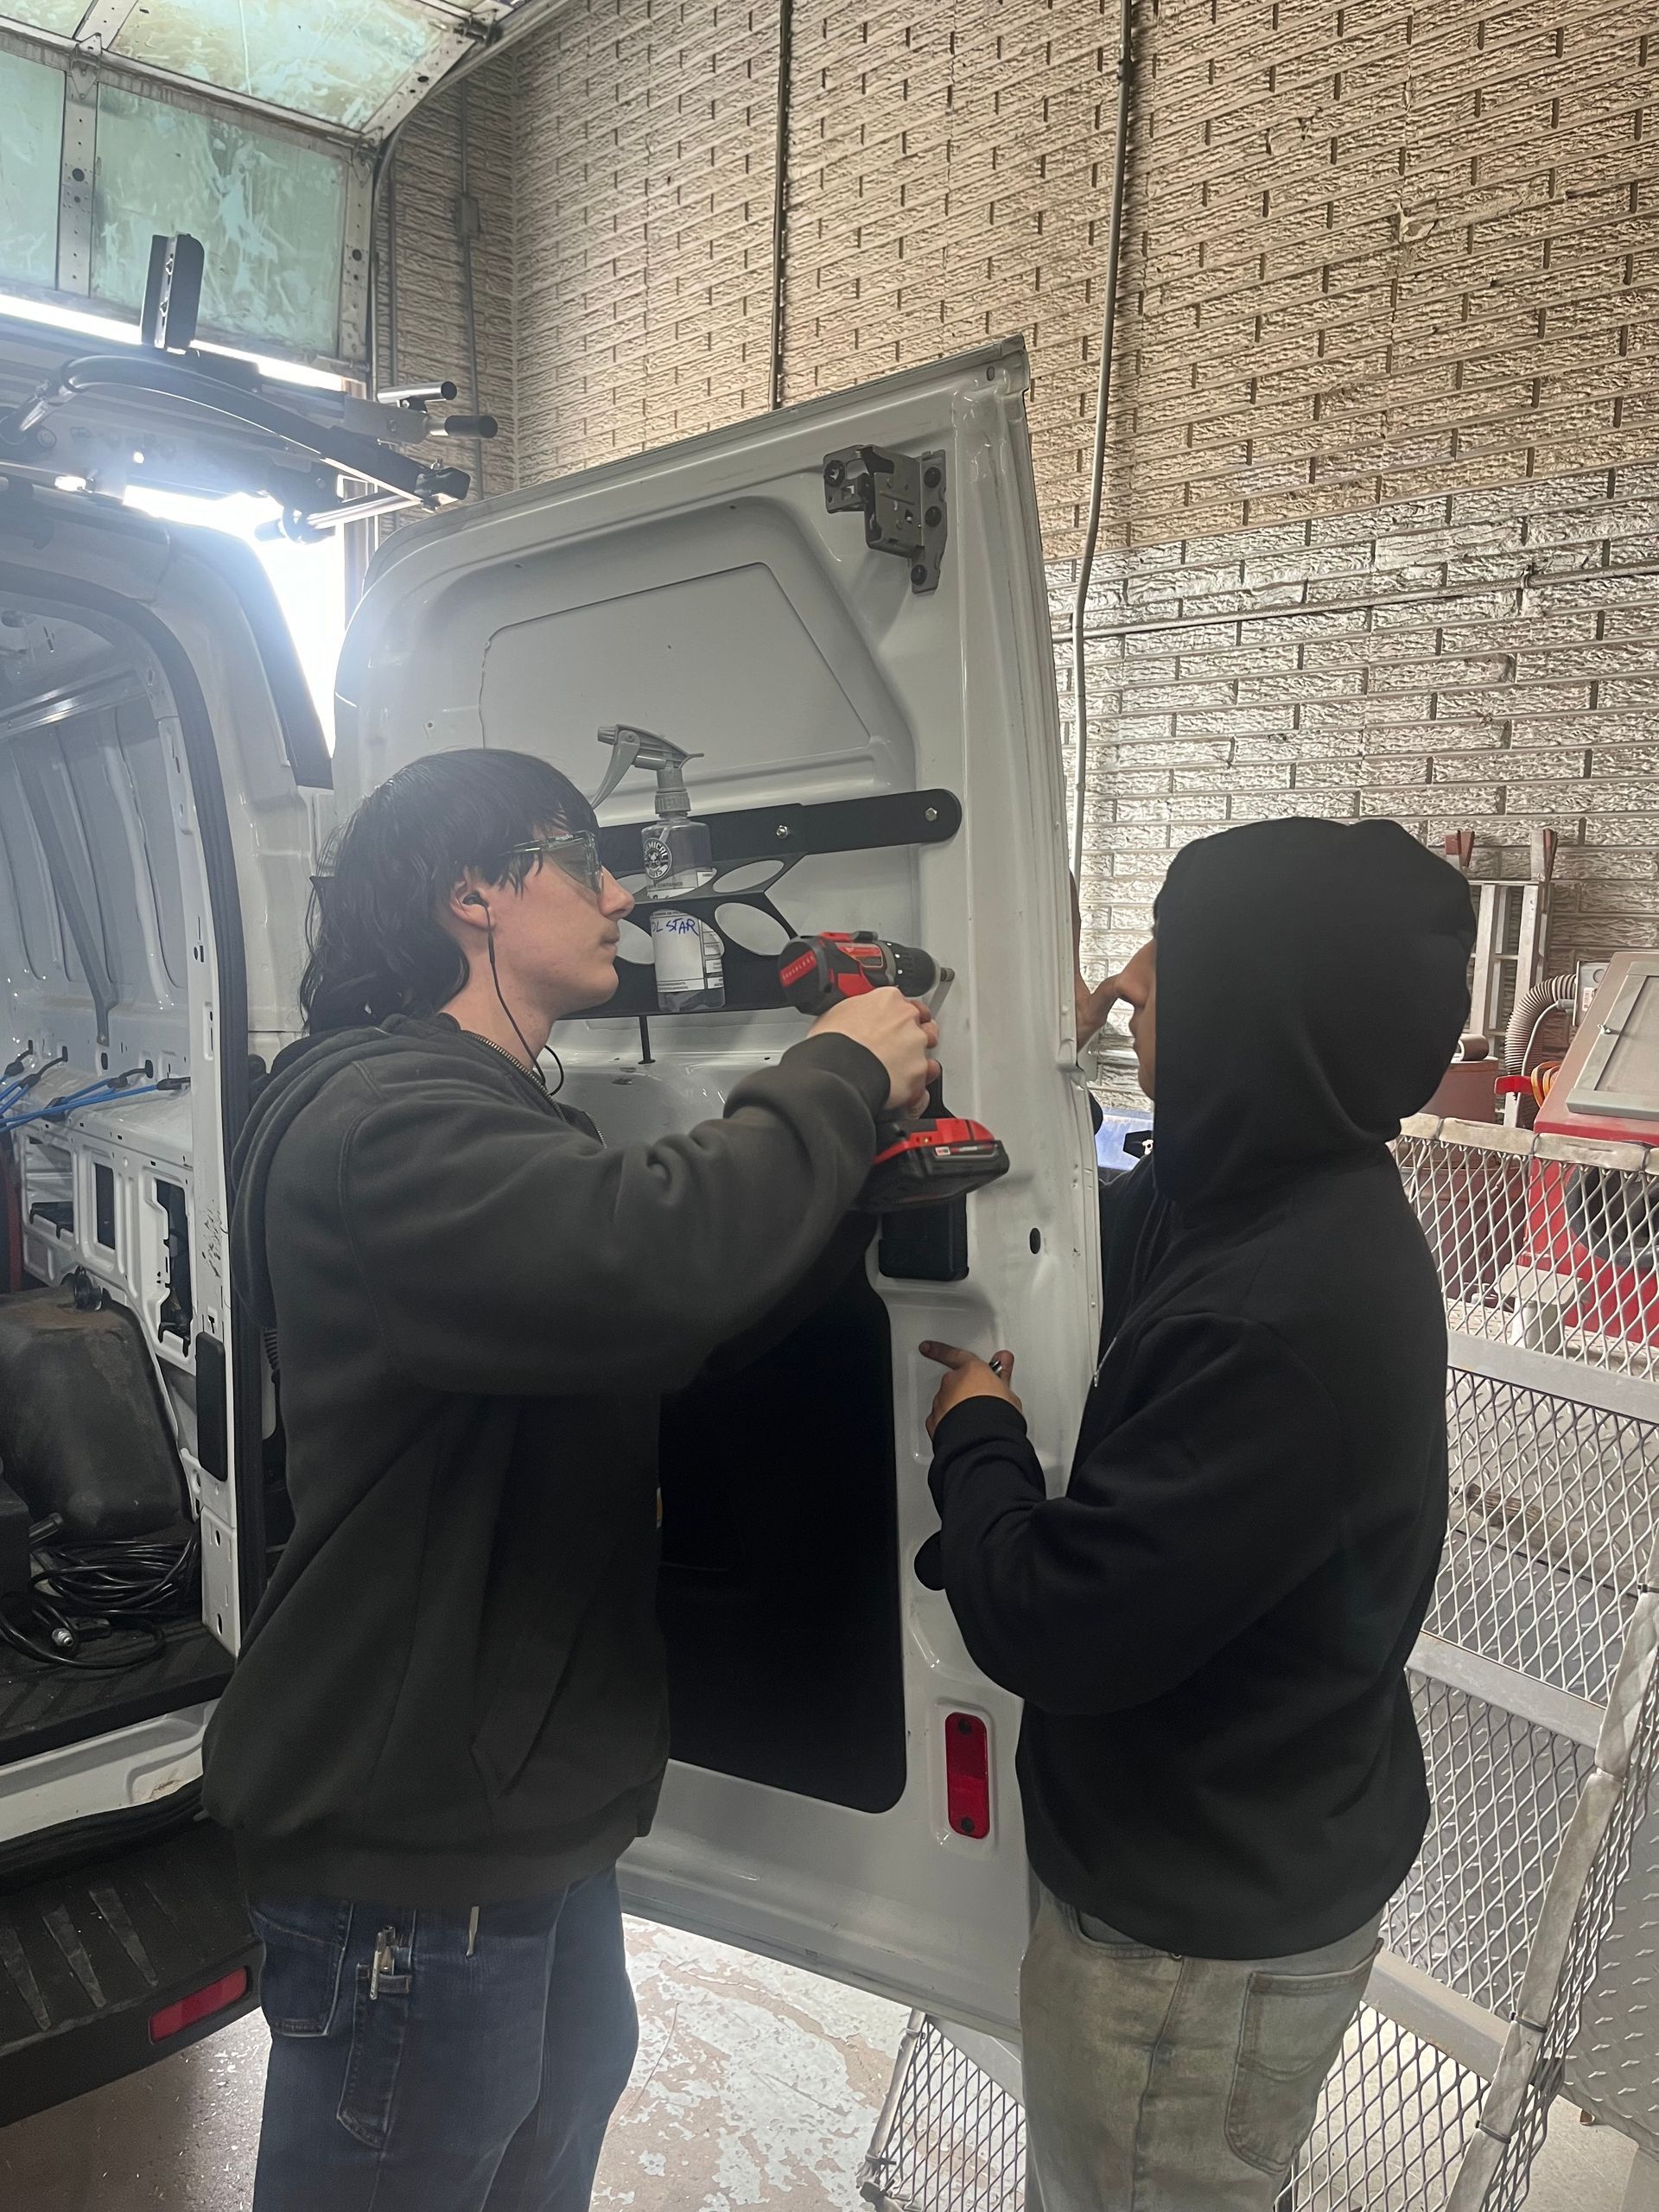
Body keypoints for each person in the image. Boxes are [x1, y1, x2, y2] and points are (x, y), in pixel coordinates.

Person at [201, 748, 936, 2212]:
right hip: (414, 1833)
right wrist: (840, 1072)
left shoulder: (481, 1109)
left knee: (557, 2110)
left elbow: (651, 1328)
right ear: (470, 893)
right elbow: (640, 1258)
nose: (617, 894)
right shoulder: (383, 1123)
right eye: (578, 860)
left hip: (518, 1807)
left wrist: (839, 1206)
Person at [918, 817, 1475, 2211]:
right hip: (1235, 1851)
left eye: (1172, 947)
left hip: (1192, 1940)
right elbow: (1113, 1210)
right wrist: (1027, 1055)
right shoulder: (1277, 1188)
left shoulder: (1276, 1315)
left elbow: (1061, 1624)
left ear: (1260, 996)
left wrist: (976, 1436)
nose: (1128, 976)